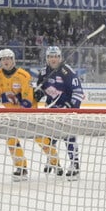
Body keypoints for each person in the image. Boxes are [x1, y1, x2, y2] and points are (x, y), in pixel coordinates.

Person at [0, 48, 46, 181]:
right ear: (0, 61)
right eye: (3, 59)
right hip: (9, 113)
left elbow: (27, 97)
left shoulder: (23, 75)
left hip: (28, 111)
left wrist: (22, 110)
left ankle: (54, 161)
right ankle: (21, 168)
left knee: (39, 138)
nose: (6, 61)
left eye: (8, 58)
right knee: (11, 140)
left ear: (13, 60)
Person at [35, 45, 84, 177]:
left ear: (60, 57)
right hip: (51, 110)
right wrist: (38, 93)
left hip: (66, 110)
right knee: (50, 138)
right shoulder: (44, 72)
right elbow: (41, 88)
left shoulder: (67, 71)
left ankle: (75, 164)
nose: (53, 59)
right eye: (51, 56)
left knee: (69, 137)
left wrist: (71, 106)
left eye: (56, 56)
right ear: (47, 58)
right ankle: (52, 160)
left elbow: (78, 92)